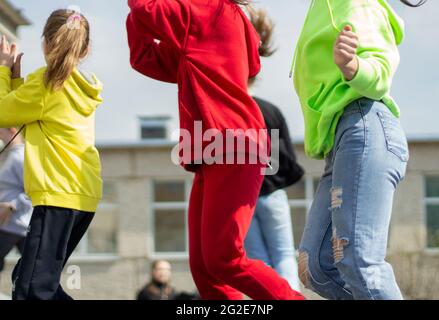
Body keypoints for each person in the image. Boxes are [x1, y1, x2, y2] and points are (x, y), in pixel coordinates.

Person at [127, 0, 305, 300]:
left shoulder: (208, 10)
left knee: (225, 259)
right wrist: (136, 16)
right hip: (216, 151)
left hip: (234, 145)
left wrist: (139, 13)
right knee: (204, 268)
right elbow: (145, 56)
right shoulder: (213, 21)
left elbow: (146, 9)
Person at [291, 0, 426, 300]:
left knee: (360, 263)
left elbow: (380, 71)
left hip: (364, 125)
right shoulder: (323, 7)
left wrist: (352, 66)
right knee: (315, 266)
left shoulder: (359, 4)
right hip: (339, 142)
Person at [0, 9, 104, 300]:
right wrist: (16, 82)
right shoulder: (80, 86)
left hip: (58, 197)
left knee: (34, 290)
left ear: (45, 43)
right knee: (30, 281)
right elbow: (28, 112)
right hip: (82, 197)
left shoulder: (45, 83)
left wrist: (3, 71)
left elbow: (3, 112)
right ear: (85, 49)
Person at [244, 8, 304, 292]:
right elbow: (290, 161)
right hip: (272, 193)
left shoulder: (230, 112)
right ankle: (289, 296)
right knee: (284, 254)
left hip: (244, 199)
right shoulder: (271, 111)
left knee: (257, 259)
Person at [0, 128, 33, 275]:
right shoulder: (10, 156)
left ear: (13, 131)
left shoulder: (21, 157)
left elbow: (33, 190)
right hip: (9, 224)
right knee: (32, 269)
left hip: (15, 224)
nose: (0, 138)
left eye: (0, 133)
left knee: (33, 269)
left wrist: (12, 205)